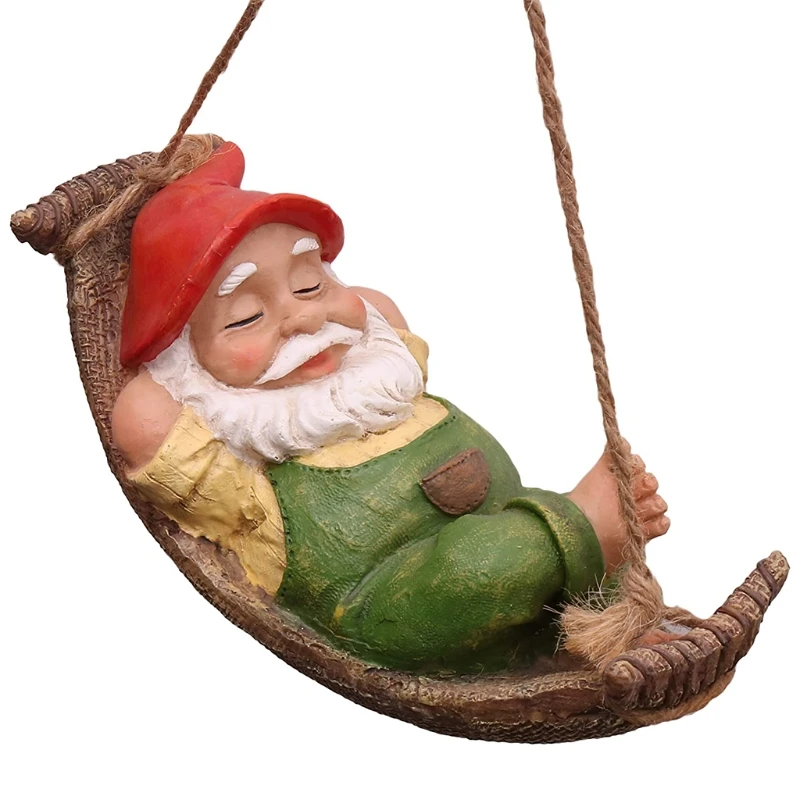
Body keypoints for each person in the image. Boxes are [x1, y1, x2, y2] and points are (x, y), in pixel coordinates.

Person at [112, 141, 670, 673]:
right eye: (245, 317)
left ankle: (608, 613)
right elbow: (145, 421)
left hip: (522, 555)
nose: (305, 318)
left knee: (525, 527)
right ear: (186, 366)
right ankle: (583, 527)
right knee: (474, 565)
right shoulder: (244, 467)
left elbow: (380, 323)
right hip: (384, 608)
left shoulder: (384, 378)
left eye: (310, 285)